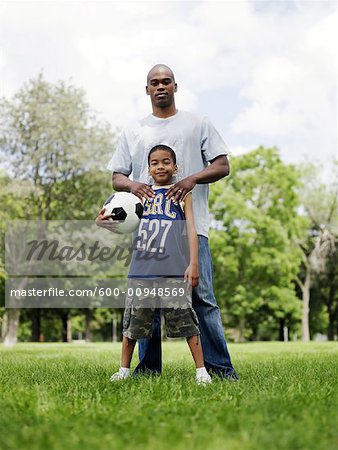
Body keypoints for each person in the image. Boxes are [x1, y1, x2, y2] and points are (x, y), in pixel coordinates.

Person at [97, 64, 238, 380]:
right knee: (147, 301)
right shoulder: (134, 130)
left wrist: (191, 179)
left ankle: (219, 369)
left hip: (191, 228)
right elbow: (117, 176)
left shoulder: (197, 123)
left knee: (202, 298)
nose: (160, 87)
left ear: (176, 86)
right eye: (154, 83)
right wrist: (133, 185)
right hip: (149, 232)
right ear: (147, 89)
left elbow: (222, 165)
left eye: (166, 82)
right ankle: (147, 369)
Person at [110, 145, 211, 385]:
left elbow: (191, 229)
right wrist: (105, 218)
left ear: (176, 167)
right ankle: (123, 370)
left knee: (187, 322)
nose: (161, 166)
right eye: (155, 163)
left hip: (174, 272)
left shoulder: (181, 194)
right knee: (133, 324)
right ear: (148, 168)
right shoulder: (139, 196)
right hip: (141, 272)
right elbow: (110, 221)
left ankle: (202, 372)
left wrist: (193, 264)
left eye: (166, 162)